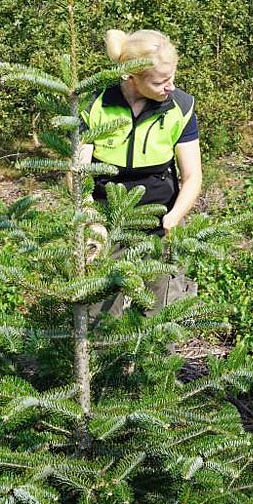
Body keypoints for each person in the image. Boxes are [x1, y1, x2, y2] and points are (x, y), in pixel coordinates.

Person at [79, 28, 202, 310]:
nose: (170, 87)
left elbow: (192, 176)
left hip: (159, 218)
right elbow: (77, 173)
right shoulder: (95, 105)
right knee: (99, 308)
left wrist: (174, 217)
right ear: (131, 77)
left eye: (172, 77)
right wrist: (90, 219)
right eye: (160, 82)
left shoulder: (180, 107)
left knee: (157, 308)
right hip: (105, 219)